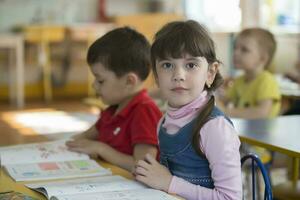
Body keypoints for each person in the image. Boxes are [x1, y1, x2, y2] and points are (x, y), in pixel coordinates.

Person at [134, 20, 242, 200]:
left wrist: (169, 183)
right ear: (157, 76)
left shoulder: (214, 128)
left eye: (191, 65)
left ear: (210, 73)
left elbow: (230, 197)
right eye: (167, 65)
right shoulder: (163, 122)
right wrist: (148, 173)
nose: (178, 76)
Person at [66, 27, 162, 171]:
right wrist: (57, 147)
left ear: (129, 81)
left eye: (100, 80)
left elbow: (144, 166)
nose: (94, 85)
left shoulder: (144, 111)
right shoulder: (113, 109)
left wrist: (101, 149)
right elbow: (83, 138)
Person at [219, 28, 281, 119]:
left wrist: (226, 111)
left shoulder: (267, 81)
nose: (236, 53)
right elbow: (223, 101)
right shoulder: (240, 80)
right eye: (235, 48)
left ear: (262, 58)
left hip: (261, 132)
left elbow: (262, 113)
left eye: (244, 50)